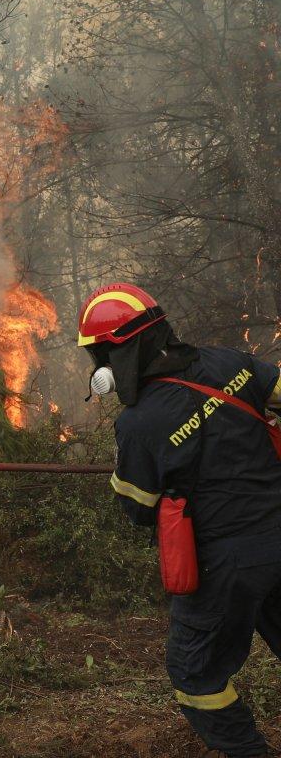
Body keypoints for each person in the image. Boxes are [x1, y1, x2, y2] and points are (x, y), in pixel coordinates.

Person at [79, 283, 281, 758]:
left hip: (226, 561)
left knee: (195, 673)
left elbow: (137, 507)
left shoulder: (137, 423)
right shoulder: (230, 362)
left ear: (117, 355)